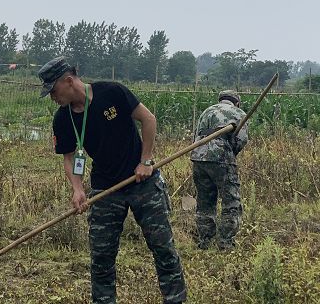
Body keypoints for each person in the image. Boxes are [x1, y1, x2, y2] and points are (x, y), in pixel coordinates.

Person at [42, 56, 186, 304]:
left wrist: (146, 161)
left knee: (163, 249)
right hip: (105, 190)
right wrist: (77, 189)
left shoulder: (112, 92)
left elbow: (148, 119)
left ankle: (175, 299)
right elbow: (69, 158)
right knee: (101, 258)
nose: (53, 97)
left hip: (143, 183)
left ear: (68, 81)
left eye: (53, 91)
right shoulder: (63, 118)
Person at [189, 89, 248, 250]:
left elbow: (196, 135)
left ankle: (205, 241)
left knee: (205, 201)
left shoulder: (207, 111)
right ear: (237, 102)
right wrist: (230, 152)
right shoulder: (238, 112)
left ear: (220, 100)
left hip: (198, 157)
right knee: (231, 201)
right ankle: (226, 243)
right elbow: (241, 140)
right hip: (221, 158)